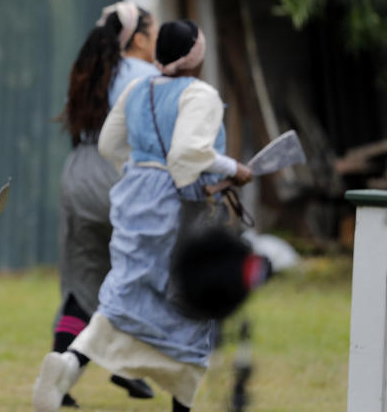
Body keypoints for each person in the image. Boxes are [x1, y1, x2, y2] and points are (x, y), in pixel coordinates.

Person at [32, 20, 254, 412]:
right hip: (178, 210)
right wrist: (232, 169)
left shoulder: (139, 88)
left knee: (125, 292)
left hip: (135, 200)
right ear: (195, 56)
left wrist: (139, 173)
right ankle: (180, 405)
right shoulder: (199, 94)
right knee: (186, 299)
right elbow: (188, 155)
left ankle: (69, 362)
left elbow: (108, 144)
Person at [52, 2, 157, 406]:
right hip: (119, 176)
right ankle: (128, 366)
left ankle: (59, 373)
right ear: (139, 37)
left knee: (82, 283)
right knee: (139, 273)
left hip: (77, 172)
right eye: (154, 33)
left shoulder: (89, 69)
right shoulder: (146, 76)